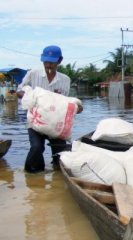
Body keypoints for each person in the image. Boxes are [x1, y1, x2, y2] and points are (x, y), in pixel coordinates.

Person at [17, 45, 83, 173]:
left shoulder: (65, 80)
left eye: (52, 62)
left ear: (59, 61)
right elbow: (19, 91)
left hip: (55, 123)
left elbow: (64, 102)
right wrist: (31, 96)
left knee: (61, 154)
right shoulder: (33, 74)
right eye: (46, 62)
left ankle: (57, 176)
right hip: (35, 122)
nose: (48, 65)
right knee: (36, 147)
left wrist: (77, 107)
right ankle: (31, 174)